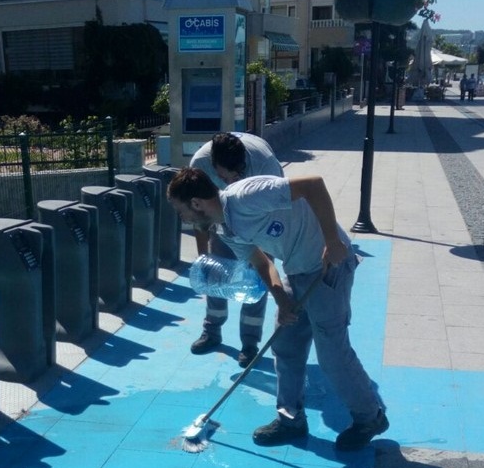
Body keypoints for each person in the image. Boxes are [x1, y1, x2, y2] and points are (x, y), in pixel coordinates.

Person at [166, 168, 388, 451]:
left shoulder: (246, 197)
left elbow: (313, 184)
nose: (182, 218)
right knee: (286, 345)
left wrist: (332, 239)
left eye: (180, 210)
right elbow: (262, 263)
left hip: (328, 265)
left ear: (196, 203)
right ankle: (291, 419)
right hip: (297, 272)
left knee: (332, 354)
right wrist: (282, 301)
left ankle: (370, 418)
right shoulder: (226, 228)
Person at [187, 132, 284, 367]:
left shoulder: (265, 164)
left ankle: (250, 343)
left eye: (238, 173)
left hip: (259, 220)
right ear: (213, 165)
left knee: (256, 280)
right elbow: (198, 214)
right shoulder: (199, 166)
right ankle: (212, 331)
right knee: (216, 275)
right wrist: (204, 258)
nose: (232, 179)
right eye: (225, 175)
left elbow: (279, 209)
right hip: (221, 220)